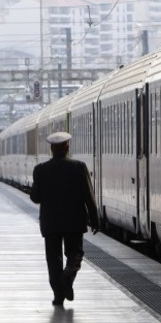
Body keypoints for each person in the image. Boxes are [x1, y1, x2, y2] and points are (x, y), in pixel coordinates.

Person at [30, 131, 100, 306]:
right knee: (75, 254)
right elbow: (88, 196)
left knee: (53, 259)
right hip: (74, 221)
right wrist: (95, 219)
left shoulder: (40, 170)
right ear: (67, 147)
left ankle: (58, 296)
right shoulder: (79, 167)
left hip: (50, 222)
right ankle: (68, 275)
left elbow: (35, 197)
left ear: (51, 148)